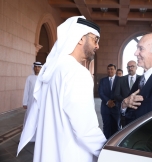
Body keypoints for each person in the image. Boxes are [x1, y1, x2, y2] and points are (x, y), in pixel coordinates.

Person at [17, 16, 106, 162]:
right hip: (70, 153)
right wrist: (106, 151)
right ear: (81, 38)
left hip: (49, 151)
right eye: (95, 40)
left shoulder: (51, 70)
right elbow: (85, 129)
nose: (97, 46)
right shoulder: (77, 72)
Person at [114, 60, 140, 127]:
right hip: (124, 111)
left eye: (132, 66)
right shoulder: (121, 79)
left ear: (136, 67)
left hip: (138, 111)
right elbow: (116, 94)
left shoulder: (141, 79)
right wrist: (126, 101)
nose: (130, 68)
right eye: (128, 67)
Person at [98, 64, 120, 139]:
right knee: (106, 126)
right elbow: (100, 93)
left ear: (115, 70)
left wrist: (114, 102)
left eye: (111, 69)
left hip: (116, 107)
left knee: (116, 126)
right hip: (105, 107)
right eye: (108, 69)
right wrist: (108, 101)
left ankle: (115, 144)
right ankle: (106, 144)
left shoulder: (120, 80)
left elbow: (121, 92)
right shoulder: (102, 80)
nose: (110, 71)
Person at [22, 62, 42, 127]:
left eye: (39, 67)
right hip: (30, 101)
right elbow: (26, 90)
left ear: (41, 68)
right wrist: (25, 103)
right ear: (33, 68)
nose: (37, 68)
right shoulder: (29, 78)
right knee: (29, 116)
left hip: (40, 102)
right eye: (35, 67)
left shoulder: (43, 78)